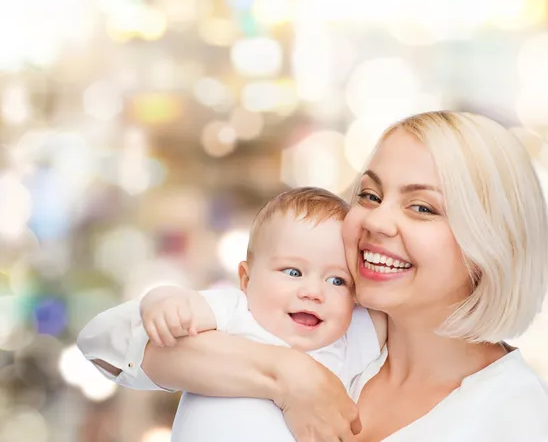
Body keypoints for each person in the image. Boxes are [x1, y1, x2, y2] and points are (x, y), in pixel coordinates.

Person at [78, 111, 548, 442]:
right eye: (370, 196)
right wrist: (290, 376)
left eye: (421, 207)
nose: (375, 221)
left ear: (490, 243)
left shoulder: (513, 413)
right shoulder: (331, 321)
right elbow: (109, 345)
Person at [78, 187, 386, 441]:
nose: (313, 292)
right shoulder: (235, 311)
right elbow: (103, 335)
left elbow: (400, 315)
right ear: (246, 279)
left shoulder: (345, 342)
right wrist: (162, 301)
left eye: (337, 280)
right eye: (293, 271)